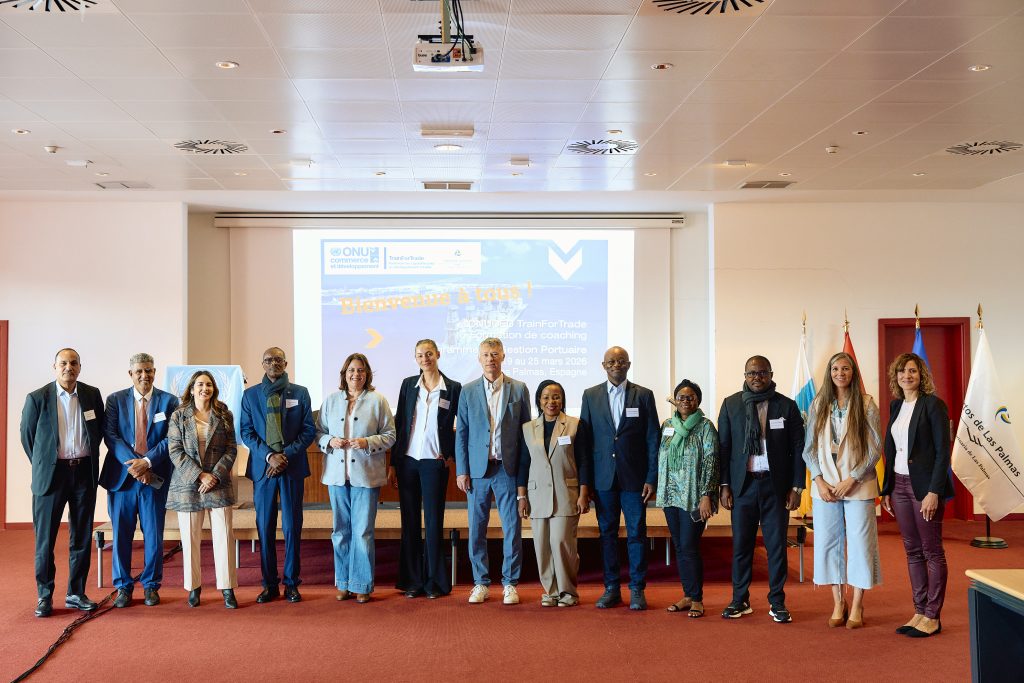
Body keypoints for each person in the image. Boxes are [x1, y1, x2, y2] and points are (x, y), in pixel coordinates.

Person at [718, 355, 805, 623]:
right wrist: (724, 485)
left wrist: (797, 487)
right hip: (743, 486)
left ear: (771, 375)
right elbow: (724, 448)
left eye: (762, 373)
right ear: (745, 376)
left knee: (776, 546)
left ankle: (777, 601)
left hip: (775, 486)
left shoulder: (786, 406)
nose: (757, 377)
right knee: (741, 546)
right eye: (752, 373)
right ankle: (739, 599)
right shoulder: (731, 404)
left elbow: (798, 448)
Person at [21, 348, 105, 618]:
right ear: (54, 367)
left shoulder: (92, 395)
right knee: (45, 540)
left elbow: (98, 432)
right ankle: (44, 595)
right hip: (51, 476)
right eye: (63, 363)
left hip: (83, 474)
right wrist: (46, 464)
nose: (69, 367)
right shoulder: (37, 398)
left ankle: (76, 593)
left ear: (80, 366)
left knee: (81, 537)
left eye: (73, 363)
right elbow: (28, 438)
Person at [801, 352, 882, 629]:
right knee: (828, 543)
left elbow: (875, 448)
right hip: (826, 487)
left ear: (853, 372)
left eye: (845, 368)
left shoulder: (867, 404)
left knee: (861, 544)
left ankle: (857, 603)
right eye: (835, 369)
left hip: (858, 484)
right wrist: (819, 480)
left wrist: (853, 478)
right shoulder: (818, 403)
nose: (840, 373)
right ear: (829, 373)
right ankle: (838, 602)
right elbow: (809, 448)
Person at [580, 346, 660, 610]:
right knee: (607, 534)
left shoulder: (643, 395)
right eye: (611, 361)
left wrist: (651, 477)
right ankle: (611, 588)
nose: (617, 365)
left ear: (628, 364)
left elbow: (652, 438)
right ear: (604, 365)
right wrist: (587, 483)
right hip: (603, 480)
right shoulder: (590, 395)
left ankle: (637, 589)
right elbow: (585, 443)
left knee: (637, 533)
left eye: (621, 361)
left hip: (635, 480)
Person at [881, 352, 954, 639]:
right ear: (896, 376)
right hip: (898, 485)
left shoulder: (933, 405)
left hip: (924, 488)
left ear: (921, 375)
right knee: (912, 551)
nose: (906, 376)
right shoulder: (896, 405)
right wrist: (887, 488)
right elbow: (892, 450)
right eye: (902, 371)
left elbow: (942, 452)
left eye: (912, 371)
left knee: (932, 550)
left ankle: (933, 615)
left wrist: (934, 491)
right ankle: (919, 611)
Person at [455, 338, 532, 605]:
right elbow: (461, 433)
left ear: (503, 356)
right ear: (479, 358)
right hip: (477, 471)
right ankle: (481, 582)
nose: (491, 358)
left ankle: (510, 583)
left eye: (495, 354)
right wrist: (462, 470)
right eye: (486, 354)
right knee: (477, 528)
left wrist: (523, 475)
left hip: (507, 469)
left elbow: (525, 433)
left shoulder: (519, 389)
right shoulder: (468, 391)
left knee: (512, 528)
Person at [100, 352, 180, 608]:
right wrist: (136, 466)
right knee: (121, 535)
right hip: (122, 480)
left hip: (154, 478)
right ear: (130, 374)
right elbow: (111, 436)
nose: (144, 375)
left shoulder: (169, 401)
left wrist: (147, 462)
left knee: (154, 536)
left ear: (154, 372)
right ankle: (123, 587)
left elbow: (171, 438)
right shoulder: (115, 400)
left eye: (148, 371)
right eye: (139, 371)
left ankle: (151, 586)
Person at [317, 353, 396, 604]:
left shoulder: (378, 401)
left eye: (361, 370)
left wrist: (367, 442)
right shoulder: (331, 400)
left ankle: (362, 584)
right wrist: (329, 440)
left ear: (367, 374)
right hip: (337, 477)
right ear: (344, 373)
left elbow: (390, 435)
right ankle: (343, 582)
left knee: (362, 532)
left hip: (366, 476)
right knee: (340, 531)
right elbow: (318, 432)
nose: (356, 374)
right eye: (351, 370)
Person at [241, 347, 316, 604]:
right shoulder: (250, 395)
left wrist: (285, 455)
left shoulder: (300, 393)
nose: (273, 363)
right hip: (264, 470)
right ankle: (269, 584)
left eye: (278, 359)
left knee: (292, 526)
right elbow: (246, 432)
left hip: (291, 467)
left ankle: (292, 584)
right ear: (262, 364)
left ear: (285, 363)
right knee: (265, 526)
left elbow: (308, 430)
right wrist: (269, 456)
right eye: (268, 360)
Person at [389, 339, 462, 599]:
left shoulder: (453, 388)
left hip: (434, 463)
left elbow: (462, 425)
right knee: (409, 522)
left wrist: (450, 454)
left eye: (429, 354)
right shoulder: (408, 385)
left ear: (438, 354)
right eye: (420, 355)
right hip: (408, 461)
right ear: (415, 358)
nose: (425, 359)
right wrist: (393, 463)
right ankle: (412, 581)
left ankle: (435, 583)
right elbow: (399, 423)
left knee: (433, 522)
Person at [166, 370, 239, 609]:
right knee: (190, 539)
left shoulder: (224, 413)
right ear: (191, 388)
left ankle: (227, 588)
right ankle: (193, 587)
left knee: (224, 536)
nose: (204, 388)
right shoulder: (179, 415)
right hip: (189, 484)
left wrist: (215, 476)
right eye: (200, 384)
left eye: (208, 384)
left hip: (218, 484)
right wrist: (200, 475)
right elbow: (175, 450)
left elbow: (231, 449)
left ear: (214, 389)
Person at [516, 380, 592, 607]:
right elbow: (523, 464)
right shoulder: (528, 428)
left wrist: (584, 493)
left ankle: (568, 592)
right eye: (546, 397)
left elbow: (584, 461)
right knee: (542, 546)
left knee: (562, 544)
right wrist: (521, 497)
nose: (551, 401)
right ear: (539, 401)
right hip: (537, 495)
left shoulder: (575, 425)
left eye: (556, 397)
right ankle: (551, 592)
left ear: (563, 400)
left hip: (566, 494)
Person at [656, 379, 719, 618]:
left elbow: (712, 461)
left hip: (694, 497)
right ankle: (687, 595)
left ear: (698, 400)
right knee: (680, 547)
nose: (685, 401)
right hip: (671, 495)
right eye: (681, 397)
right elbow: (661, 456)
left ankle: (697, 599)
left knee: (690, 547)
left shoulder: (705, 427)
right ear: (675, 400)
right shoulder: (667, 425)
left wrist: (706, 495)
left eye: (690, 397)